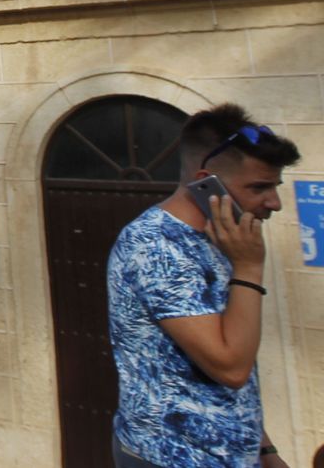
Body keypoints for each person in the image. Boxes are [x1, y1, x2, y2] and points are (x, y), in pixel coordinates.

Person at [108, 105, 300, 468]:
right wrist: (248, 267)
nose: (274, 202)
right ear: (205, 181)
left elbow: (229, 380)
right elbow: (230, 367)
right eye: (259, 187)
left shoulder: (220, 238)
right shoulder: (156, 247)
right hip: (171, 457)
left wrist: (265, 452)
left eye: (275, 186)